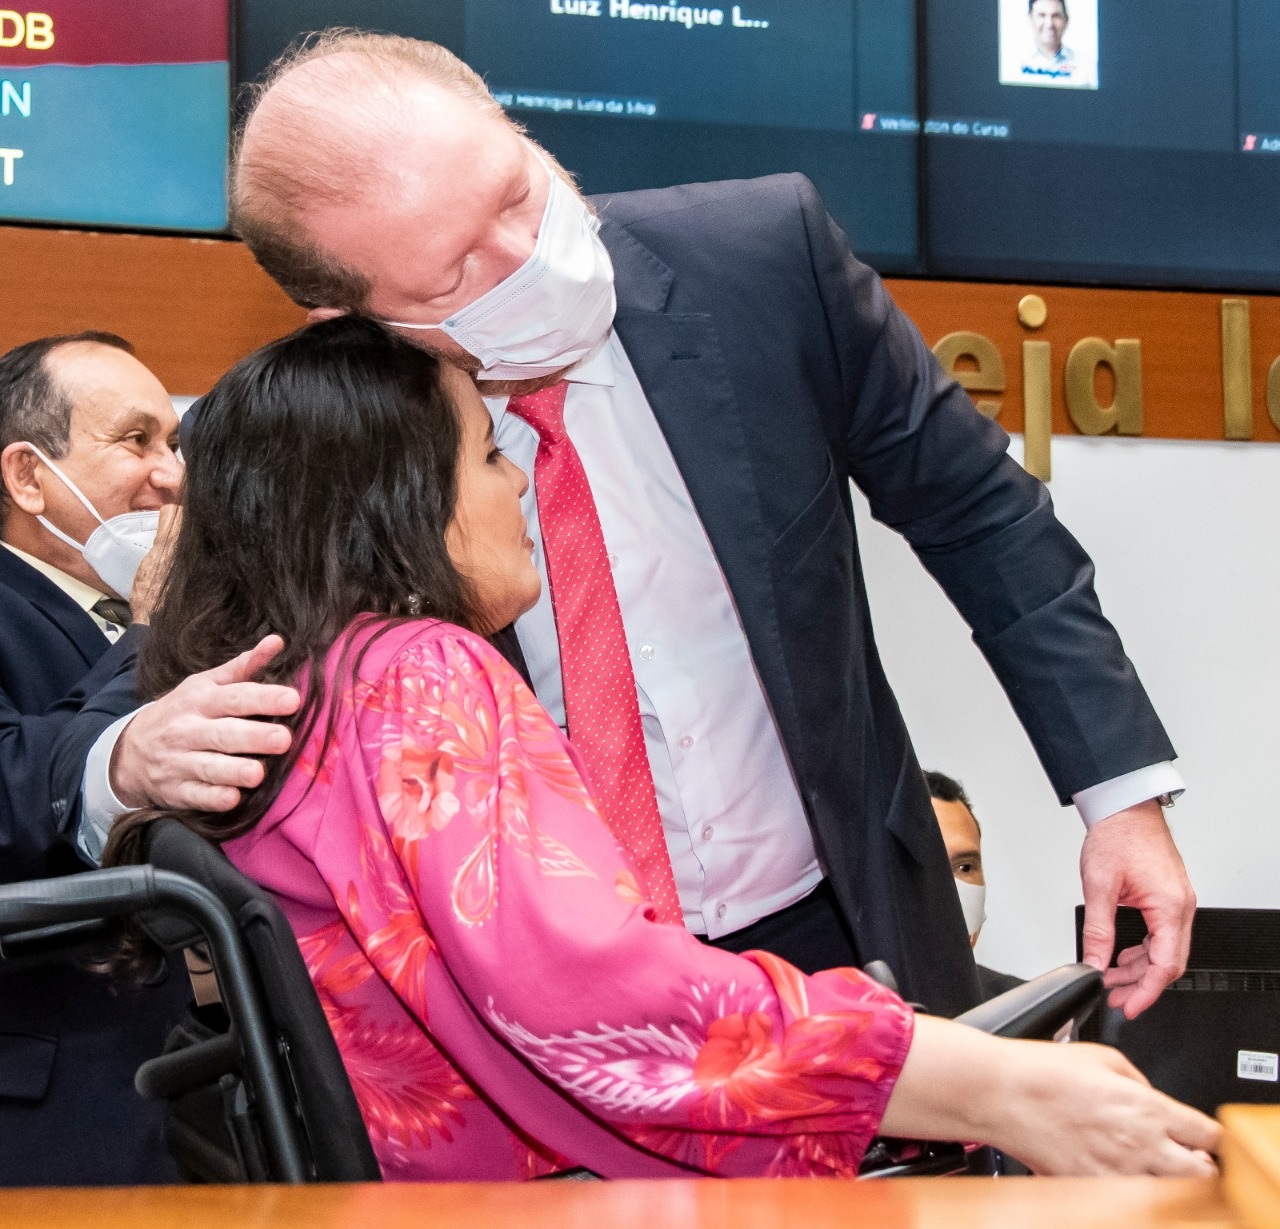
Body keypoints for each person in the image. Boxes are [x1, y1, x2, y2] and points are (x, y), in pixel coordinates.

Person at [55, 32, 1193, 1022]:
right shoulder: (320, 432)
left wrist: (1120, 797)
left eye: (513, 194)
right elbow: (135, 697)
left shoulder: (765, 261)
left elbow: (979, 516)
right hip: (530, 1004)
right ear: (347, 313)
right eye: (459, 267)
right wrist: (129, 758)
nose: (527, 258)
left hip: (836, 929)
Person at [105, 316, 1220, 1181]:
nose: (517, 490)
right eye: (490, 457)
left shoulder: (301, 696)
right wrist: (993, 1087)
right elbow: (584, 987)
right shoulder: (419, 673)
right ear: (400, 502)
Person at [0, 331, 189, 1185]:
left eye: (175, 444)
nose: (172, 474)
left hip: (174, 1080)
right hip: (40, 1106)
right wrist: (148, 636)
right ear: (28, 476)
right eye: (136, 440)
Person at [925, 771, 1024, 1001]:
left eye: (965, 868)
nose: (952, 895)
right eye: (926, 867)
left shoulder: (1035, 1016)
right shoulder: (831, 1022)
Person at [1020, 0, 1082, 82]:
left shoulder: (1087, 67)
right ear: (1030, 18)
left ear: (1066, 20)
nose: (1049, 24)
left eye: (1056, 16)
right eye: (1042, 15)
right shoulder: (1013, 66)